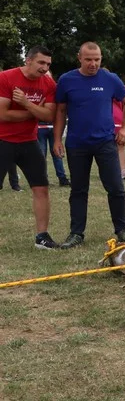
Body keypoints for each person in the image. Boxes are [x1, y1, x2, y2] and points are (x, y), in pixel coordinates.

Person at [53, 42, 125, 248]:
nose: (93, 63)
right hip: (76, 144)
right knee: (78, 190)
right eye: (89, 59)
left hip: (105, 142)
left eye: (97, 59)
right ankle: (76, 234)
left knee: (116, 188)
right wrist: (56, 140)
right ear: (79, 58)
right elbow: (61, 111)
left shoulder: (110, 79)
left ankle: (122, 230)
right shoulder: (66, 80)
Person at [0, 46, 60, 249]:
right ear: (28, 61)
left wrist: (26, 104)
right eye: (41, 63)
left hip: (29, 141)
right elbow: (2, 115)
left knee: (41, 188)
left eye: (48, 64)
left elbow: (49, 116)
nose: (45, 68)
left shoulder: (49, 84)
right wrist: (35, 111)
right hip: (3, 140)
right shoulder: (6, 78)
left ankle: (42, 237)